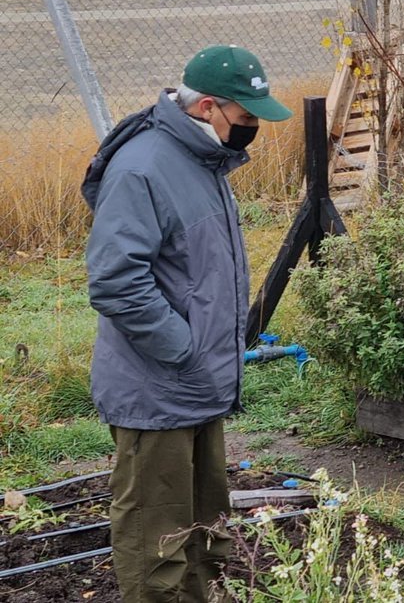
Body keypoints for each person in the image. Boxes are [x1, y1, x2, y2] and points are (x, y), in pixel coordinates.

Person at [83, 45, 292, 602]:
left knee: (203, 527)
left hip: (196, 381)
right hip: (160, 385)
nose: (252, 129)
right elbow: (115, 282)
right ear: (206, 108)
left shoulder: (199, 160)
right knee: (158, 537)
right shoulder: (144, 167)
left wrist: (202, 356)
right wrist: (184, 349)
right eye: (245, 117)